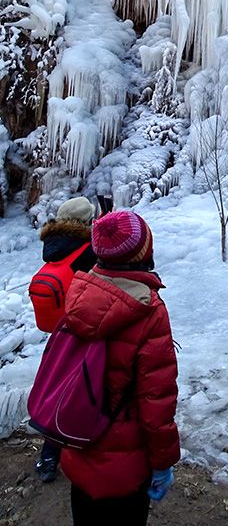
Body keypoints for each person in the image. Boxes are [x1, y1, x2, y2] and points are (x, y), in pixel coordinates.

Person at [60, 209, 180, 526]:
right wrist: (162, 462)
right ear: (144, 253)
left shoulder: (79, 291)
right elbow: (157, 401)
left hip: (78, 442)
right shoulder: (149, 311)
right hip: (125, 466)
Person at [34, 196, 97, 483]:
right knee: (81, 388)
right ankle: (80, 444)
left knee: (56, 382)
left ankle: (47, 456)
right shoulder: (87, 249)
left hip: (57, 330)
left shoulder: (54, 245)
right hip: (82, 326)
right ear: (86, 221)